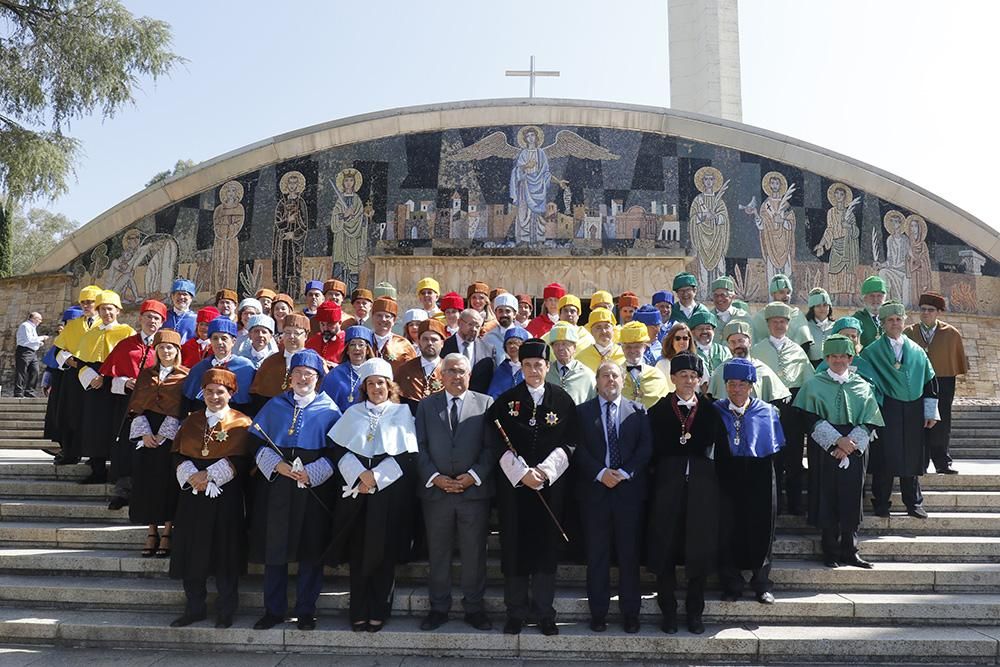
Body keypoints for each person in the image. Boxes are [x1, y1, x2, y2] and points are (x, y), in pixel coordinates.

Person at [487, 338, 578, 636]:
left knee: (545, 549)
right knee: (514, 547)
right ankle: (515, 611)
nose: (533, 370)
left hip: (549, 488)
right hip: (515, 489)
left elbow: (571, 442)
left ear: (547, 366)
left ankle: (543, 612)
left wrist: (544, 471)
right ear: (521, 367)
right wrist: (521, 473)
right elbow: (495, 441)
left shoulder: (563, 401)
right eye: (527, 365)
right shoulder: (506, 402)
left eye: (538, 365)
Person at [250, 350, 342, 631]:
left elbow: (336, 451)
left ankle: (306, 609)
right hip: (278, 484)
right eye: (298, 373)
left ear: (318, 378)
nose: (303, 378)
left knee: (310, 548)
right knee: (274, 546)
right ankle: (273, 609)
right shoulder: (275, 405)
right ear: (290, 377)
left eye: (309, 374)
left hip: (311, 486)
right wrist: (276, 466)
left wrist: (313, 473)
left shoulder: (329, 409)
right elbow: (257, 442)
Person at [328, 358, 418, 632]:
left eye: (381, 383)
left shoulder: (403, 413)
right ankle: (358, 610)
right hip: (357, 492)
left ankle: (379, 608)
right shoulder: (352, 413)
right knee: (358, 555)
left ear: (389, 386)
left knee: (384, 554)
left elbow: (407, 456)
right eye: (371, 383)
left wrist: (376, 478)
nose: (376, 388)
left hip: (388, 495)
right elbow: (337, 449)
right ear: (364, 388)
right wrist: (359, 475)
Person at [646, 352, 725, 634]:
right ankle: (668, 611)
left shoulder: (711, 411)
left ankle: (695, 612)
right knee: (665, 547)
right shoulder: (657, 410)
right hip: (667, 489)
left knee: (699, 550)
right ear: (673, 378)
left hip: (703, 492)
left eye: (693, 376)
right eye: (683, 376)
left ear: (699, 379)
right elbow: (650, 453)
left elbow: (721, 453)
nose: (689, 381)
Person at [416, 353, 495, 632]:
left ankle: (474, 608)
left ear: (469, 375)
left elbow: (491, 448)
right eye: (450, 371)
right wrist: (435, 478)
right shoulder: (426, 406)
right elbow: (420, 447)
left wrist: (472, 477)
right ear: (441, 375)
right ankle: (439, 608)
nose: (456, 376)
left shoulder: (485, 404)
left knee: (474, 553)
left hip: (472, 493)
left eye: (461, 371)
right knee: (438, 552)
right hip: (437, 494)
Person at [168, 368, 253, 629]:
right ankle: (194, 607)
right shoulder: (191, 421)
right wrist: (192, 475)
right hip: (193, 496)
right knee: (192, 550)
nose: (214, 397)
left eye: (220, 392)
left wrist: (211, 475)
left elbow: (242, 458)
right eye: (209, 392)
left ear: (231, 394)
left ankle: (226, 609)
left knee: (225, 551)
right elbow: (177, 453)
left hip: (224, 497)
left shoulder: (241, 422)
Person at [794, 335, 884, 568]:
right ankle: (830, 550)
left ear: (850, 358)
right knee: (827, 495)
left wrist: (849, 443)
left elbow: (871, 418)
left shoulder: (862, 386)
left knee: (852, 495)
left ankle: (850, 549)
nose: (838, 360)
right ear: (826, 358)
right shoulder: (813, 384)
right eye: (833, 356)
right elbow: (807, 417)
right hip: (824, 447)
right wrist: (835, 442)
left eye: (843, 356)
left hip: (855, 448)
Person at [575, 361, 652, 634]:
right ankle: (598, 613)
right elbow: (578, 449)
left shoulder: (638, 411)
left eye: (615, 376)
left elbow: (645, 448)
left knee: (629, 556)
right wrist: (600, 473)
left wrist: (624, 472)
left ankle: (631, 613)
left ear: (623, 381)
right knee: (597, 555)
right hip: (595, 493)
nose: (611, 380)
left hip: (628, 493)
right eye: (605, 375)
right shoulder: (582, 412)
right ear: (597, 381)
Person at [714, 358, 785, 604]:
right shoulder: (716, 410)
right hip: (727, 474)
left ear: (751, 386)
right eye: (731, 384)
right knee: (726, 528)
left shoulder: (766, 411)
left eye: (742, 384)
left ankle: (762, 583)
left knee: (762, 528)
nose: (736, 389)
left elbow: (774, 447)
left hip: (760, 473)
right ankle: (731, 583)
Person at [860, 301, 938, 519]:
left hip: (914, 408)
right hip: (887, 407)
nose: (895, 323)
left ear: (904, 321)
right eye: (890, 320)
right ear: (883, 324)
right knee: (885, 455)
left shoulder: (917, 351)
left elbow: (930, 381)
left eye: (898, 319)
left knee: (912, 455)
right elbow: (865, 382)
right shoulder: (871, 352)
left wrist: (930, 412)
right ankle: (881, 503)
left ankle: (913, 502)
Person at [98, 299, 167, 507]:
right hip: (127, 403)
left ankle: (146, 492)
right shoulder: (126, 345)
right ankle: (122, 491)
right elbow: (110, 378)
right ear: (141, 319)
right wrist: (125, 382)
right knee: (126, 448)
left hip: (156, 405)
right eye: (148, 317)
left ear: (162, 322)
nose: (152, 321)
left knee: (151, 447)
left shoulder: (166, 347)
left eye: (156, 318)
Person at [126, 329, 188, 558]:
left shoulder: (184, 376)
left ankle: (168, 531)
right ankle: (151, 530)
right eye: (161, 347)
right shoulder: (145, 375)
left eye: (170, 347)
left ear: (177, 350)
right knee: (147, 482)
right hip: (146, 432)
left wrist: (164, 434)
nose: (166, 351)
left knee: (168, 483)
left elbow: (183, 407)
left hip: (171, 434)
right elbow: (135, 405)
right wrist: (144, 434)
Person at [751, 301, 813, 515]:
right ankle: (775, 505)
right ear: (768, 324)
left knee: (794, 458)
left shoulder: (798, 351)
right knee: (772, 459)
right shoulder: (756, 350)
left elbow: (808, 381)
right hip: (767, 408)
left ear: (788, 324)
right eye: (775, 321)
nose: (779, 325)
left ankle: (796, 504)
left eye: (783, 322)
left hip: (793, 409)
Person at [74, 290, 136, 484]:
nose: (106, 313)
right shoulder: (90, 333)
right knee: (95, 427)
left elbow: (130, 360)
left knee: (116, 426)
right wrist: (92, 377)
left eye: (110, 309)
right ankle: (97, 468)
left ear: (118, 311)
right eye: (102, 309)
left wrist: (106, 376)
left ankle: (117, 471)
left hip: (117, 384)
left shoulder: (127, 332)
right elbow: (81, 361)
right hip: (95, 386)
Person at [904, 292, 967, 475]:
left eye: (930, 310)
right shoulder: (909, 332)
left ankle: (942, 461)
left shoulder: (951, 334)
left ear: (938, 312)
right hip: (917, 380)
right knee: (917, 420)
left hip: (943, 380)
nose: (925, 313)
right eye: (923, 309)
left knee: (942, 420)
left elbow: (956, 361)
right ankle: (920, 462)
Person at [50, 284, 102, 465]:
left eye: (91, 302)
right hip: (74, 376)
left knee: (94, 417)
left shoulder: (105, 325)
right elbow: (59, 350)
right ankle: (71, 452)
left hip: (96, 376)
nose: (87, 306)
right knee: (72, 415)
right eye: (84, 302)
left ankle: (96, 456)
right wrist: (71, 361)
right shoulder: (73, 325)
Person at [705, 321, 792, 405]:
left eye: (741, 341)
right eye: (732, 342)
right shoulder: (720, 371)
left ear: (749, 342)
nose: (737, 346)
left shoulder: (762, 369)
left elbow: (778, 399)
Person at [182, 317, 256, 414]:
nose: (219, 342)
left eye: (224, 338)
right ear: (210, 341)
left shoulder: (245, 367)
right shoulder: (200, 367)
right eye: (215, 338)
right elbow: (189, 400)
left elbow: (250, 402)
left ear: (233, 341)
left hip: (236, 417)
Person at [248, 313, 310, 412]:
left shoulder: (315, 363)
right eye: (287, 332)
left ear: (306, 335)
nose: (291, 337)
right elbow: (258, 397)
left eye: (297, 333)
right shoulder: (270, 362)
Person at [42, 307, 83, 447]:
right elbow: (51, 363)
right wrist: (46, 382)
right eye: (68, 322)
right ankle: (64, 446)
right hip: (61, 381)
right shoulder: (62, 337)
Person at [750, 274, 814, 352]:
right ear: (773, 294)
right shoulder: (760, 317)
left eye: (788, 293)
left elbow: (805, 343)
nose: (786, 296)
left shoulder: (797, 315)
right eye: (781, 292)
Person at [395, 319, 448, 410]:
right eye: (425, 339)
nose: (429, 343)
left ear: (442, 343)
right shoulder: (404, 369)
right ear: (419, 342)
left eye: (434, 339)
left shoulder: (449, 370)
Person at [320, 325, 377, 410]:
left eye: (361, 345)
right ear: (347, 350)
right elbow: (324, 407)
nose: (356, 348)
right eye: (352, 344)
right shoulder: (334, 375)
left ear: (367, 350)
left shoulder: (376, 373)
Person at [441, 308, 494, 394]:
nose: (474, 329)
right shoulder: (444, 346)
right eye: (470, 324)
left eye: (477, 326)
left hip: (477, 401)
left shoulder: (488, 350)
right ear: (459, 322)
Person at [619, 321, 669, 409]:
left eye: (637, 346)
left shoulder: (657, 375)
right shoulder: (614, 375)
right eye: (628, 347)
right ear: (622, 349)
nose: (633, 350)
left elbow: (664, 407)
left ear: (644, 348)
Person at [544, 322, 597, 405]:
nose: (560, 348)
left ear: (574, 347)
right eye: (556, 344)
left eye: (564, 344)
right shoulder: (546, 373)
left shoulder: (587, 375)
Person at [370, 297, 417, 371]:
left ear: (394, 320)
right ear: (372, 317)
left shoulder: (403, 344)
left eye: (387, 316)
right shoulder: (364, 340)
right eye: (379, 315)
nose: (383, 319)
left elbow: (413, 371)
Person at [576, 308, 624, 372]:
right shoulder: (581, 359)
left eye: (607, 327)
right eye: (598, 327)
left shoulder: (624, 354)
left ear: (613, 330)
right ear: (591, 331)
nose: (603, 331)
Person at [487, 326, 529, 399]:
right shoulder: (501, 370)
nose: (512, 346)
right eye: (509, 343)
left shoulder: (530, 367)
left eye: (516, 343)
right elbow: (493, 395)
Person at [14, 311, 46, 397]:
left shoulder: (32, 327)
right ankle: (18, 392)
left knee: (35, 371)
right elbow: (29, 339)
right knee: (21, 371)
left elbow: (31, 341)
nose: (40, 321)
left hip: (32, 352)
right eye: (39, 319)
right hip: (24, 351)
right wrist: (41, 338)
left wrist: (39, 343)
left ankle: (30, 391)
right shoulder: (25, 325)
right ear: (33, 319)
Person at [689, 311, 731, 377]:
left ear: (713, 331)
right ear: (692, 332)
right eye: (700, 329)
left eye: (708, 328)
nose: (704, 331)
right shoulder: (689, 351)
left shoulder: (724, 351)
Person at [484, 293, 521, 364]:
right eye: (500, 311)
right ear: (495, 313)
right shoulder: (488, 338)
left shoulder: (525, 336)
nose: (504, 315)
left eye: (508, 311)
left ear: (515, 314)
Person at [852, 276, 888, 348]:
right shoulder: (856, 320)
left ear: (884, 298)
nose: (875, 299)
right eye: (871, 296)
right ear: (864, 298)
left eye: (879, 296)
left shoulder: (890, 318)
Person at [805, 288, 836, 367]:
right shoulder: (805, 327)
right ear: (812, 308)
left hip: (832, 367)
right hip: (811, 367)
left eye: (825, 305)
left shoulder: (836, 326)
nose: (822, 308)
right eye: (818, 306)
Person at [164, 279, 197, 344]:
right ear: (172, 297)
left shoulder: (196, 319)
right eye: (178, 294)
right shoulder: (163, 316)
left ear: (191, 298)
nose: (181, 297)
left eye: (185, 294)